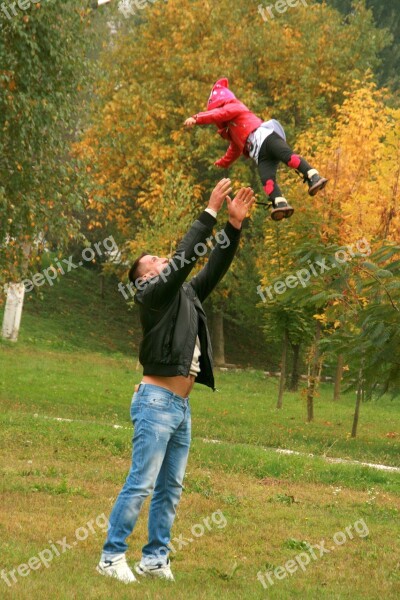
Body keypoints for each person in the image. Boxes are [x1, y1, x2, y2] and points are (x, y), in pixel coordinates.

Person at [96, 178, 254, 584]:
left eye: (161, 260)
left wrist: (233, 228)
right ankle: (111, 556)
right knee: (142, 482)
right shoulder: (152, 296)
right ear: (144, 280)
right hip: (156, 403)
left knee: (170, 489)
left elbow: (211, 268)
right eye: (155, 264)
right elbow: (185, 258)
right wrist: (210, 213)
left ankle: (155, 559)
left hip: (180, 408)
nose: (164, 263)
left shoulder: (184, 296)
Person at [185, 78, 328, 222]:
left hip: (267, 138)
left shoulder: (235, 107)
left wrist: (197, 118)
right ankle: (279, 202)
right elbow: (235, 149)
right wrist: (224, 162)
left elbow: (219, 114)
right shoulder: (231, 130)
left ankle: (313, 175)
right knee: (267, 179)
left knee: (289, 158)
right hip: (260, 155)